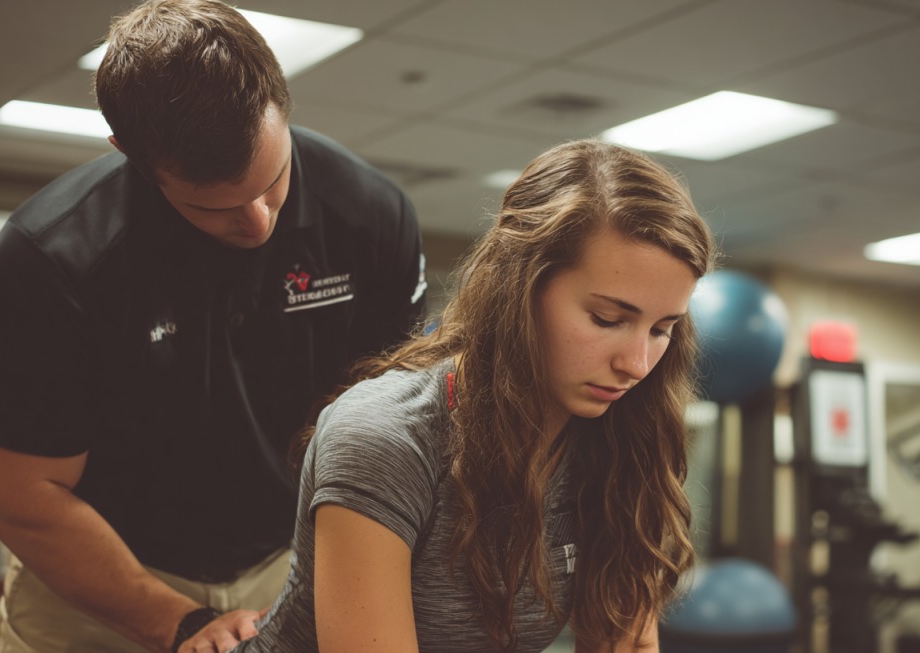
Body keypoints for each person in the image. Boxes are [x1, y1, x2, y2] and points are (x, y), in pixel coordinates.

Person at [0, 1, 425, 652]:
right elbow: (22, 494)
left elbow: (392, 428)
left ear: (282, 99)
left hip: (286, 562)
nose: (259, 221)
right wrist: (177, 620)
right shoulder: (51, 259)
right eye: (214, 208)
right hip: (95, 582)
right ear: (129, 152)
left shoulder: (369, 216)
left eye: (272, 182)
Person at [201, 139, 716, 653]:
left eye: (662, 329)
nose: (637, 364)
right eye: (608, 319)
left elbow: (625, 644)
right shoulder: (386, 437)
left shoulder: (622, 430)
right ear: (519, 286)